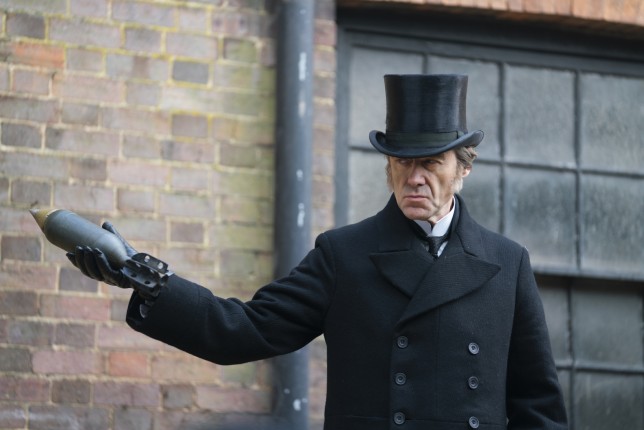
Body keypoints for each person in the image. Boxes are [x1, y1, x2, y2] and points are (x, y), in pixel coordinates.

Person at [68, 74, 568, 430]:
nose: (415, 178)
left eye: (432, 163)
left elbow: (538, 406)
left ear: (463, 169)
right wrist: (148, 282)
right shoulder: (344, 255)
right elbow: (245, 329)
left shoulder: (508, 264)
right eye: (402, 162)